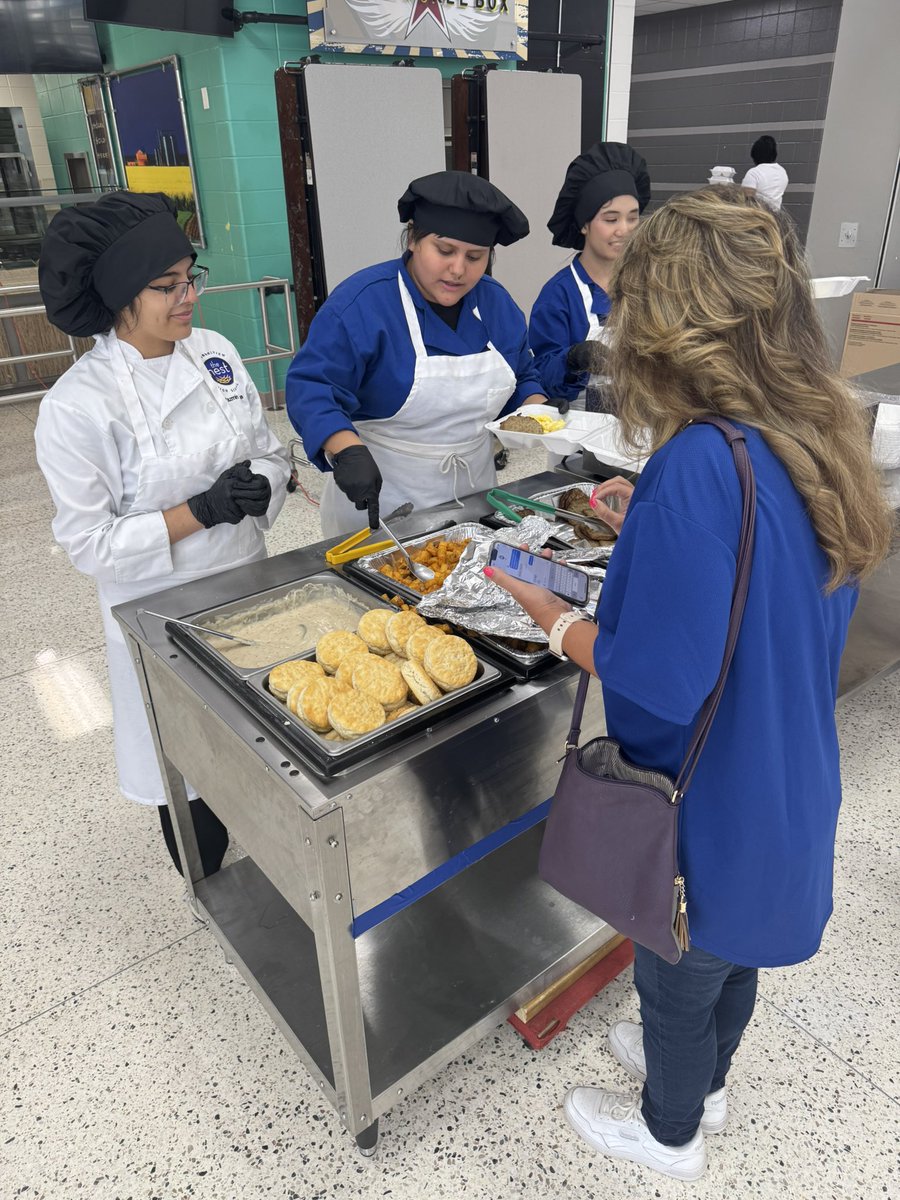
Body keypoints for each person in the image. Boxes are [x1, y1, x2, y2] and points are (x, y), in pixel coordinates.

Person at [485, 186, 892, 1181]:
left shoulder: (701, 461)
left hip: (705, 801)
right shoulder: (812, 427)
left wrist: (557, 616)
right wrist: (650, 536)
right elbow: (767, 588)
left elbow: (658, 683)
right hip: (787, 777)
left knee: (674, 974)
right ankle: (707, 1079)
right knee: (734, 954)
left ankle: (671, 1133)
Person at [35, 192, 291, 878]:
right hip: (158, 612)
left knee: (265, 737)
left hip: (246, 579)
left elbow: (265, 446)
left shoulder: (213, 353)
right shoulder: (77, 407)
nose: (188, 298)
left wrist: (263, 483)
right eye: (165, 286)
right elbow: (90, 545)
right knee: (187, 763)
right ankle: (201, 862)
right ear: (120, 294)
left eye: (190, 278)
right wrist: (197, 512)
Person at [285, 171, 549, 537]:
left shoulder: (497, 304)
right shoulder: (364, 304)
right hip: (381, 501)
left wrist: (538, 412)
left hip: (476, 496)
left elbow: (522, 376)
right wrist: (344, 449)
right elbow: (312, 388)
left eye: (475, 257)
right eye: (444, 251)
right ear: (412, 238)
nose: (458, 270)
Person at [529, 142, 650, 413]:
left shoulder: (647, 285)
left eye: (633, 218)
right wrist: (573, 360)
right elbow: (540, 375)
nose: (625, 230)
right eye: (611, 220)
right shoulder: (559, 295)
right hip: (578, 439)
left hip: (642, 426)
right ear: (584, 224)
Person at [741, 135, 788, 211]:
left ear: (755, 155)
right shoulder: (782, 172)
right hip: (775, 218)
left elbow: (748, 200)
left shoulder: (754, 173)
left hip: (757, 217)